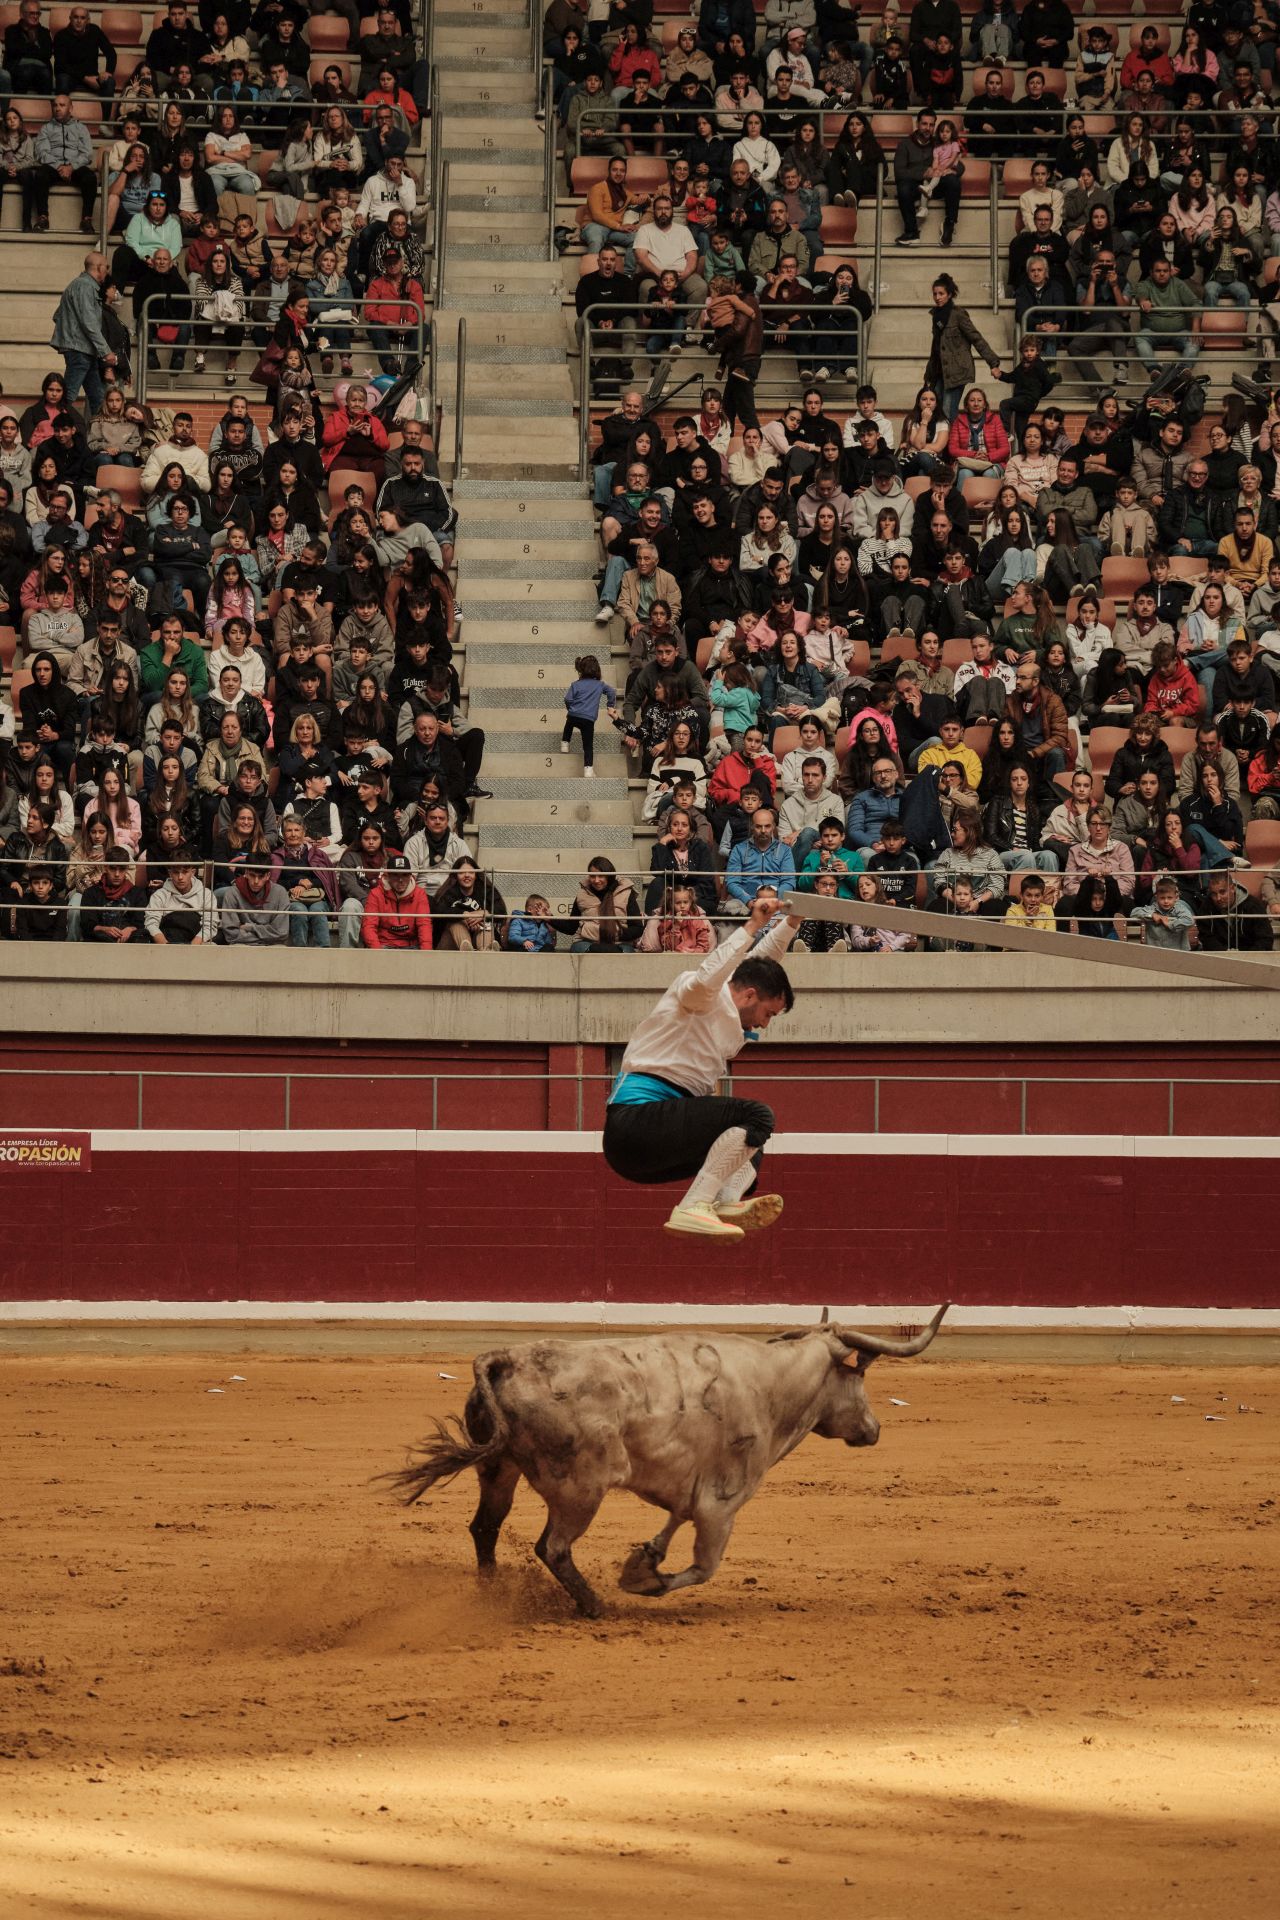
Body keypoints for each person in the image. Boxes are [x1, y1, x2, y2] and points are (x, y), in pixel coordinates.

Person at [603, 892, 800, 1241]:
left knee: (749, 1143)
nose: (765, 1025)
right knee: (756, 1117)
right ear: (750, 995)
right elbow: (710, 976)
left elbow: (763, 961)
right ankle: (694, 1205)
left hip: (647, 1157)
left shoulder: (740, 1000)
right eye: (768, 1014)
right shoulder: (698, 996)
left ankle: (721, 1202)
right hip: (635, 1125)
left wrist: (793, 922)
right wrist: (753, 924)